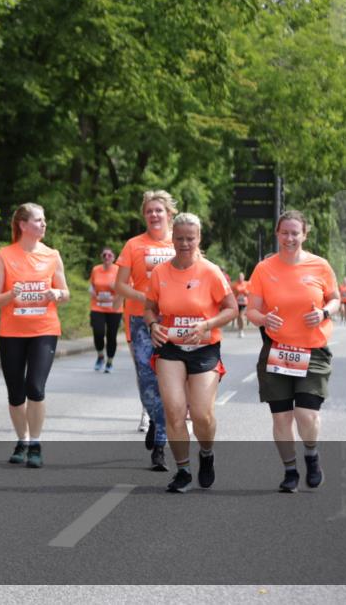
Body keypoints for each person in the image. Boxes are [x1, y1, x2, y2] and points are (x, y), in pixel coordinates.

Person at [246, 210, 340, 493]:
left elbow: (335, 298)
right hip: (277, 350)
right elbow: (251, 310)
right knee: (281, 417)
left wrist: (323, 312)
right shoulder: (264, 269)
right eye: (284, 232)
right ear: (277, 234)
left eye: (295, 233)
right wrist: (264, 319)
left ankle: (311, 455)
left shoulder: (320, 266)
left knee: (306, 414)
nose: (289, 238)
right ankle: (290, 471)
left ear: (304, 235)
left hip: (313, 350)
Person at [143, 213, 238, 493]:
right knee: (174, 411)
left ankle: (206, 454)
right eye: (180, 238)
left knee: (201, 415)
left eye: (190, 238)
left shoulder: (210, 271)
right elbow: (149, 308)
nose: (184, 244)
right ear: (172, 239)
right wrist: (152, 325)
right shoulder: (160, 272)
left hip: (204, 348)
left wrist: (207, 324)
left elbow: (231, 308)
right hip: (170, 347)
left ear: (199, 239)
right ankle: (183, 470)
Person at [0, 203, 70, 469]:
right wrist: (10, 295)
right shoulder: (4, 255)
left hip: (44, 330)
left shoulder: (52, 255)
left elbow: (65, 293)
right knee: (16, 393)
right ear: (23, 225)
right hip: (11, 332)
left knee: (35, 387)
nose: (44, 224)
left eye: (44, 220)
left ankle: (35, 443)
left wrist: (57, 294)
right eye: (38, 220)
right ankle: (21, 440)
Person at [114, 190, 177, 471]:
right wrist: (145, 297)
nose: (154, 215)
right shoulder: (133, 245)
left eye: (159, 210)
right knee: (147, 378)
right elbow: (119, 285)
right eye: (149, 211)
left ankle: (160, 444)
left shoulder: (180, 241)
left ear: (169, 214)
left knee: (169, 380)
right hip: (140, 320)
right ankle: (154, 417)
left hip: (174, 320)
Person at [88, 248, 122, 373]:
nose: (107, 257)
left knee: (111, 336)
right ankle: (100, 356)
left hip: (114, 308)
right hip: (97, 306)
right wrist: (92, 292)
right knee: (98, 332)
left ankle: (109, 362)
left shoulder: (119, 270)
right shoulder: (96, 269)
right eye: (104, 255)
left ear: (114, 257)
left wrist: (116, 288)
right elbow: (91, 285)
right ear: (101, 257)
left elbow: (127, 287)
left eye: (109, 255)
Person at [232, 273, 250, 337]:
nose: (240, 278)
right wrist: (237, 293)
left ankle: (242, 330)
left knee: (241, 316)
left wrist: (245, 292)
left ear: (243, 277)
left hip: (244, 302)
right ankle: (239, 330)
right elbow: (233, 293)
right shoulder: (234, 284)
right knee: (238, 316)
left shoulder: (247, 284)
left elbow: (250, 293)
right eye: (239, 277)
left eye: (241, 277)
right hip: (237, 302)